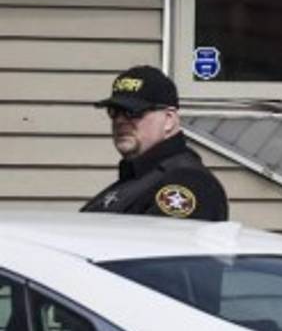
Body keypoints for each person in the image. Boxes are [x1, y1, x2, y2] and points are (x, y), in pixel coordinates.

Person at [81, 65, 228, 220]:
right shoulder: (140, 178)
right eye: (114, 112)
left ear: (168, 120)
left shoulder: (188, 183)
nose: (120, 121)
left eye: (132, 112)